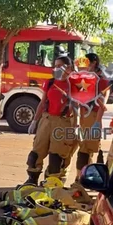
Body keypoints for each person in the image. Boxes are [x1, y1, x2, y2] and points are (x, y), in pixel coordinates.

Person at [25, 55, 76, 185]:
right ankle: (32, 179)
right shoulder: (50, 82)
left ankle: (51, 182)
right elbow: (42, 103)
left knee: (56, 157)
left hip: (63, 123)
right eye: (55, 66)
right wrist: (34, 121)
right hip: (46, 120)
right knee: (36, 153)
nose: (56, 69)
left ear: (69, 68)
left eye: (60, 66)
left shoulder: (75, 85)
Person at [61, 53, 111, 183]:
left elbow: (103, 102)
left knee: (85, 151)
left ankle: (80, 180)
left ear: (93, 63)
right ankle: (60, 177)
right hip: (78, 115)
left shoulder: (102, 79)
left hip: (91, 117)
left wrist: (98, 121)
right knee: (67, 147)